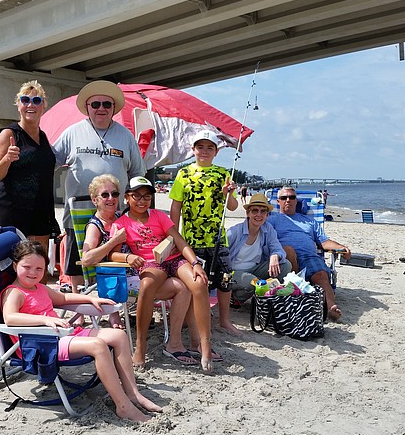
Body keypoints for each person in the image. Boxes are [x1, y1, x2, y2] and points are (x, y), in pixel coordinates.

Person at [2, 240, 162, 422]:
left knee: (119, 335)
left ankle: (133, 394)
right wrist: (45, 319)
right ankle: (123, 406)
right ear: (15, 266)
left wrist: (90, 300)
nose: (33, 273)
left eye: (39, 269)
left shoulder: (39, 287)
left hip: (62, 335)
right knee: (98, 345)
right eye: (27, 267)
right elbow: (10, 318)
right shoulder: (14, 292)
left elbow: (63, 297)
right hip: (43, 345)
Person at [81, 175, 194, 365]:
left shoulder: (122, 217)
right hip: (121, 278)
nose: (111, 198)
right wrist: (114, 242)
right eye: (105, 195)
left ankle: (175, 343)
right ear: (95, 200)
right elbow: (86, 259)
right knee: (178, 287)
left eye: (114, 193)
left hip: (144, 270)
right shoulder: (95, 225)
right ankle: (150, 347)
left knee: (185, 286)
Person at [111, 176, 214, 372]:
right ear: (127, 197)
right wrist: (128, 258)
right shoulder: (121, 223)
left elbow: (179, 241)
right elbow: (112, 253)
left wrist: (195, 263)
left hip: (173, 258)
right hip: (150, 262)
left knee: (199, 283)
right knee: (147, 285)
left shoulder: (159, 216)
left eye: (147, 197)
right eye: (137, 196)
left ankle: (205, 344)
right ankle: (141, 345)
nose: (142, 201)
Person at [53, 80, 146, 295]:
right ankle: (78, 302)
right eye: (95, 105)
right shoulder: (72, 133)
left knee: (115, 257)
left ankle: (114, 302)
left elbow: (138, 174)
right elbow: (50, 162)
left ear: (114, 109)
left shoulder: (125, 136)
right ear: (87, 108)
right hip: (78, 210)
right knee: (76, 261)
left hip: (115, 211)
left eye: (106, 104)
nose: (101, 108)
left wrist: (139, 209)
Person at [169, 130, 240, 336]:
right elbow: (176, 206)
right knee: (195, 282)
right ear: (193, 150)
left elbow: (233, 207)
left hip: (218, 238)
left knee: (224, 279)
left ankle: (224, 320)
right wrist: (173, 235)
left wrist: (229, 193)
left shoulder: (223, 174)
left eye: (210, 148)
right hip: (191, 239)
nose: (205, 151)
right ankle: (189, 318)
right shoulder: (184, 174)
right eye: (200, 147)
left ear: (216, 152)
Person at [266, 186, 351, 320]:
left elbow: (323, 242)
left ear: (296, 201)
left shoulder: (309, 221)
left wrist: (341, 247)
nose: (288, 200)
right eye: (284, 198)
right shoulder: (272, 220)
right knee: (289, 250)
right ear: (278, 201)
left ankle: (330, 308)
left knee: (322, 275)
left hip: (309, 256)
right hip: (286, 257)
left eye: (291, 197)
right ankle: (295, 299)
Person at [0, 81, 56, 256]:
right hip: (13, 210)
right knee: (14, 261)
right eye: (25, 99)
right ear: (18, 104)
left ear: (43, 106)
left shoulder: (43, 136)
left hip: (40, 209)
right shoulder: (8, 134)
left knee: (39, 261)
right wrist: (7, 159)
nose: (30, 105)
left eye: (36, 100)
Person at [226, 192, 293, 303]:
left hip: (255, 270)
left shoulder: (267, 229)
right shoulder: (234, 232)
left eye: (263, 211)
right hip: (234, 272)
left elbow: (277, 247)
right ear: (248, 213)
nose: (259, 214)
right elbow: (220, 253)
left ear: (267, 215)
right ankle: (235, 297)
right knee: (252, 283)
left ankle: (270, 297)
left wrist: (275, 255)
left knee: (285, 265)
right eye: (255, 210)